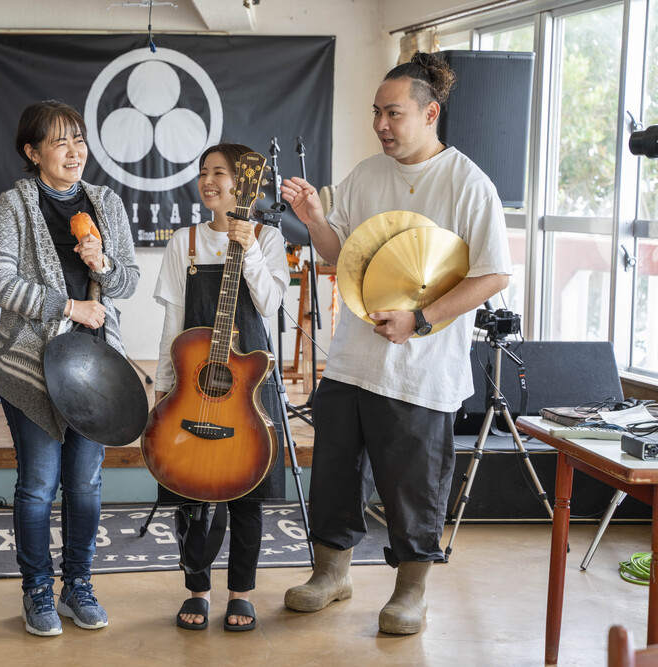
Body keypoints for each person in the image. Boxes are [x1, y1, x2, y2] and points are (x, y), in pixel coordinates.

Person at [279, 51, 511, 634]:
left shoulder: (468, 183)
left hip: (420, 370)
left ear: (430, 113)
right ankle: (330, 575)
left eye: (393, 113)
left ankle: (412, 592)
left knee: (414, 487)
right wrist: (314, 218)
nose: (381, 124)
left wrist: (421, 320)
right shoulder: (366, 174)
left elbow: (493, 275)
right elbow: (341, 258)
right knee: (334, 476)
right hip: (351, 361)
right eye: (376, 113)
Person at [0, 100, 139, 637]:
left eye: (79, 140)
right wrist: (69, 306)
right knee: (37, 484)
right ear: (33, 152)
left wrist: (103, 264)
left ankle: (78, 586)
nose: (74, 152)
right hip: (32, 363)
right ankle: (37, 591)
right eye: (59, 142)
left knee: (86, 484)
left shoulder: (106, 203)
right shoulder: (13, 204)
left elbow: (128, 283)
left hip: (95, 366)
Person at [152, 143, 289, 632]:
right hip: (194, 386)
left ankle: (241, 593)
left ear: (244, 185)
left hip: (247, 386)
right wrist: (163, 389)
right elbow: (172, 323)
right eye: (203, 173)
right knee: (190, 491)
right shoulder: (184, 242)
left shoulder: (270, 238)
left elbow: (269, 304)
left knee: (247, 493)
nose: (208, 181)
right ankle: (197, 589)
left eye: (220, 173)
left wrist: (247, 247)